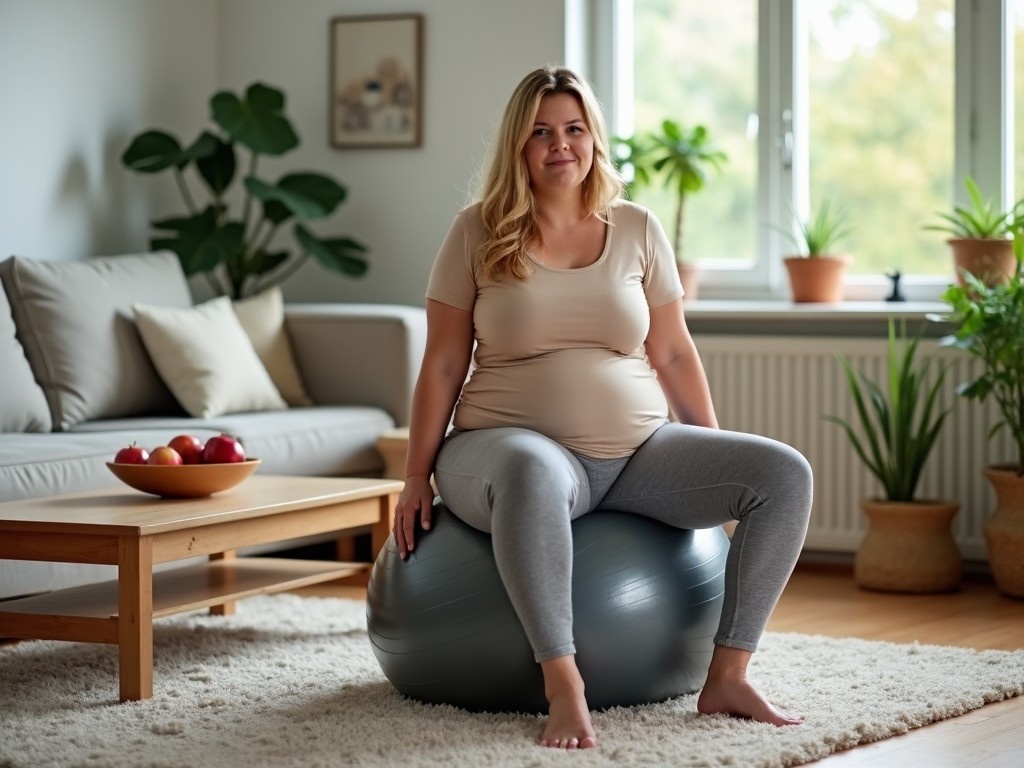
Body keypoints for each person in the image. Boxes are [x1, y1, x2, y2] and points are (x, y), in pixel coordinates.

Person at [393, 65, 813, 750]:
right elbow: (442, 361)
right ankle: (565, 685)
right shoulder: (477, 233)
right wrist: (416, 474)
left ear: (593, 138)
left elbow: (673, 352)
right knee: (530, 472)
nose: (560, 145)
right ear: (518, 146)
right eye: (541, 132)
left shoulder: (637, 229)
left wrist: (709, 447)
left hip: (638, 451)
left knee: (784, 473)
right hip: (504, 447)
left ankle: (729, 674)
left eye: (574, 129)